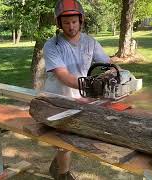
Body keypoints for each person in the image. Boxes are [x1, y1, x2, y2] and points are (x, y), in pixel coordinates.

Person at [42, 0, 110, 179]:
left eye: (74, 22)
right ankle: (63, 174)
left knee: (72, 138)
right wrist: (91, 85)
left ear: (81, 20)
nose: (71, 26)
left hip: (82, 97)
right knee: (63, 141)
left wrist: (114, 74)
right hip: (57, 98)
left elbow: (107, 65)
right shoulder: (52, 45)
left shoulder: (91, 42)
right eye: (66, 22)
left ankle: (57, 165)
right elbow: (62, 75)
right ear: (59, 23)